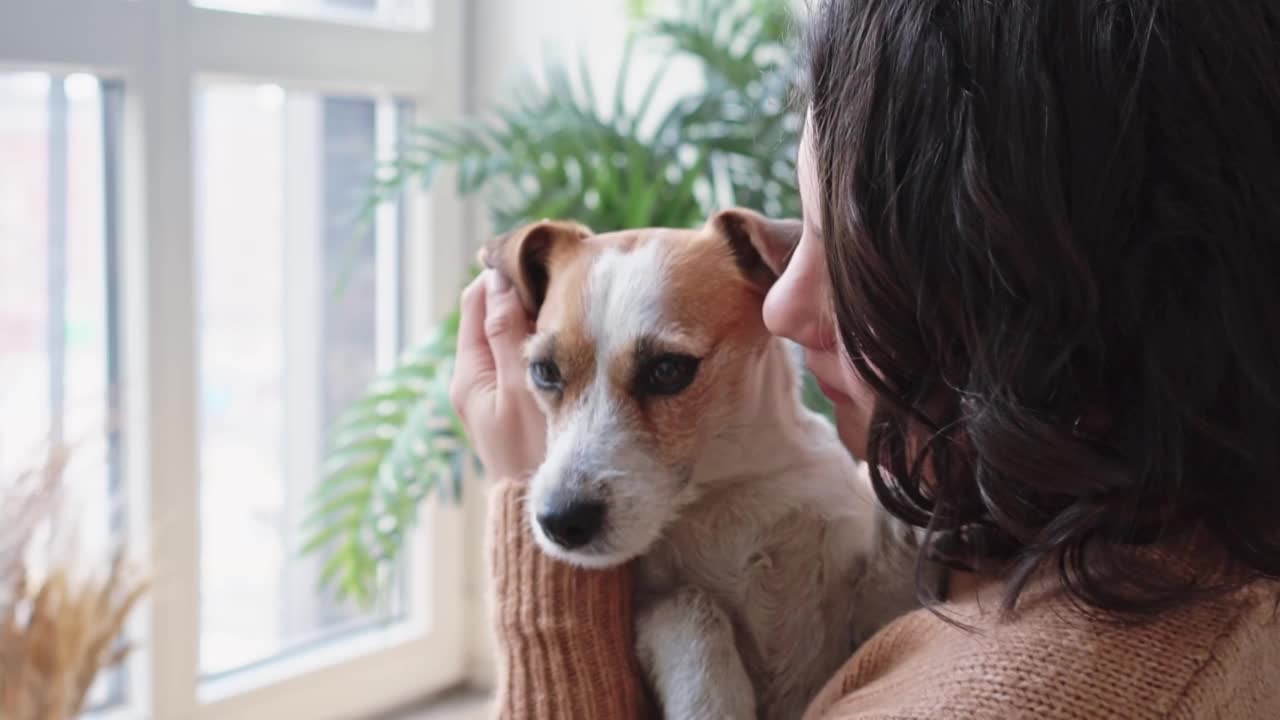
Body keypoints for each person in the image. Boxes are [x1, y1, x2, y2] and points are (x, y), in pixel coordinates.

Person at [449, 1, 1280, 717]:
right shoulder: (1179, 556)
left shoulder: (1017, 689)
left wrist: (543, 590)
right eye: (550, 374)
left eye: (847, 246)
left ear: (1034, 284)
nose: (780, 306)